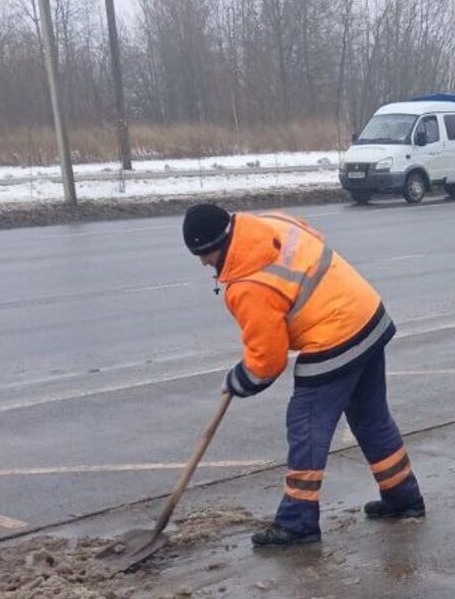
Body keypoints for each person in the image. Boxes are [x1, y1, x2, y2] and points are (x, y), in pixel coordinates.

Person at [182, 203, 424, 546]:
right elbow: (313, 240)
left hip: (334, 335)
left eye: (205, 253)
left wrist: (240, 379)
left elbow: (267, 361)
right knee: (371, 417)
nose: (204, 262)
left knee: (306, 425)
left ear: (219, 243)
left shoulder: (246, 283)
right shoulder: (269, 222)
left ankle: (297, 522)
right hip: (367, 312)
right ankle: (404, 498)